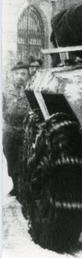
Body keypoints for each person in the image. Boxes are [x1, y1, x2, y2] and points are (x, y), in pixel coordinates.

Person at [3, 61, 30, 195]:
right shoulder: (5, 91)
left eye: (23, 74)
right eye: (17, 74)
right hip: (10, 130)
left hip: (26, 131)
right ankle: (15, 185)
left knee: (25, 159)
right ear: (13, 76)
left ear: (28, 76)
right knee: (10, 157)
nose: (20, 76)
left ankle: (23, 188)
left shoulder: (32, 90)